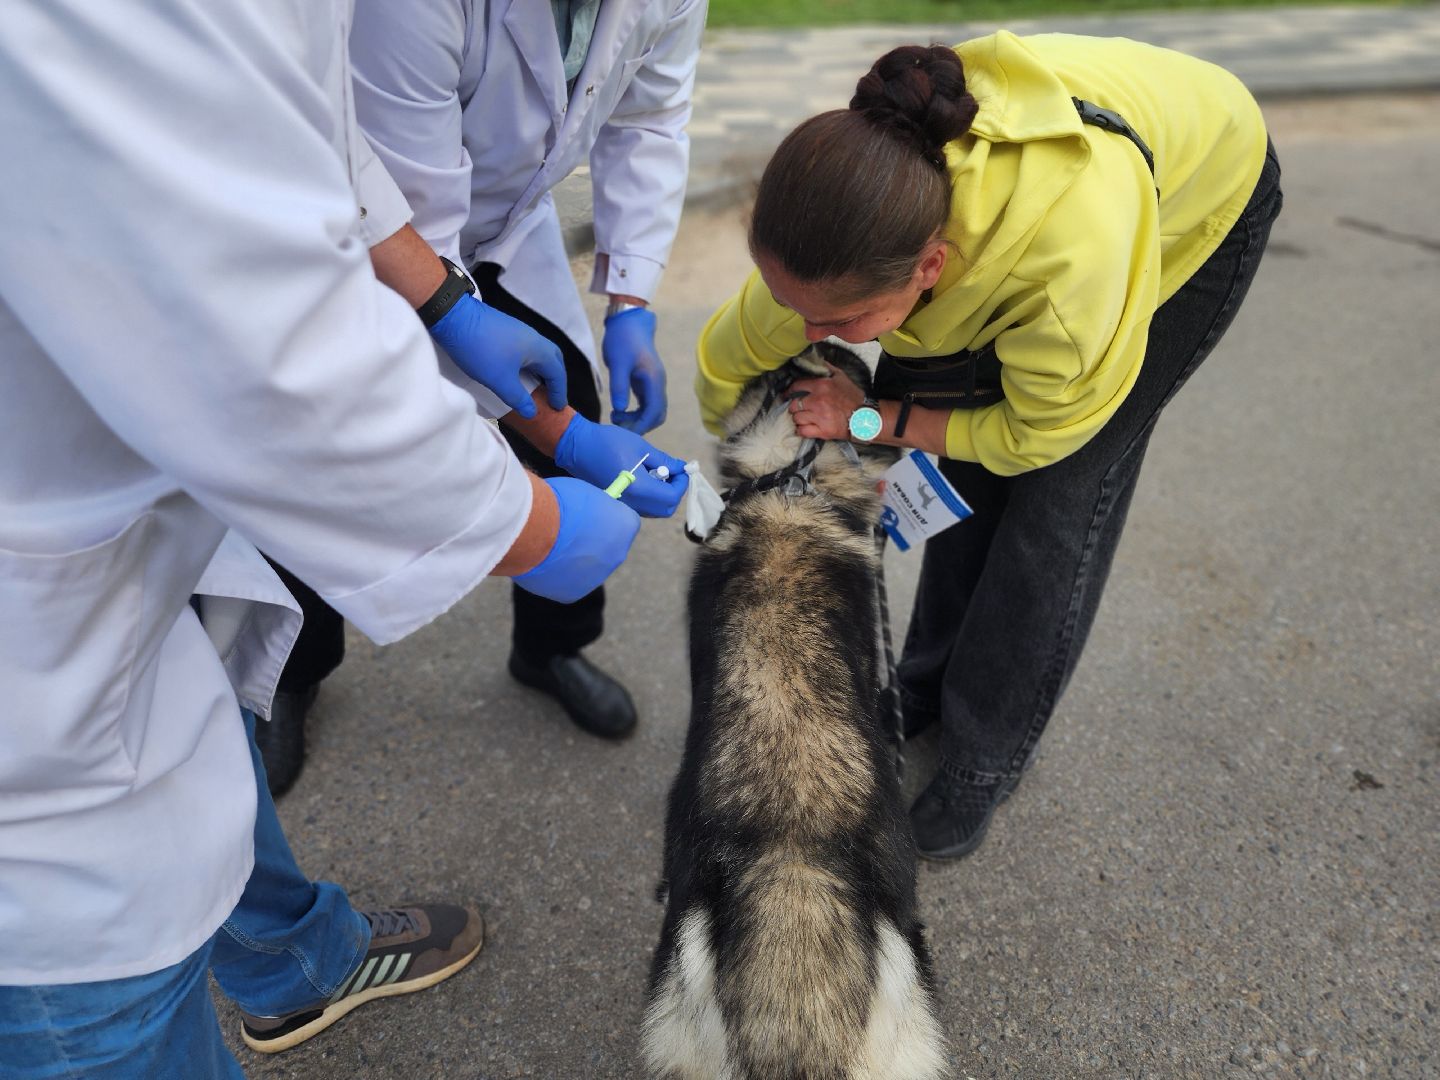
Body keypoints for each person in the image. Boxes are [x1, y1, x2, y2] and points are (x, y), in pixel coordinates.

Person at [0, 0, 679, 1074]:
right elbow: (276, 354)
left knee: (191, 700)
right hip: (39, 759)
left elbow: (313, 132)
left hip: (109, 528)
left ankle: (288, 959)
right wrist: (528, 517)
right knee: (93, 978)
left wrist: (449, 302)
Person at [694, 33, 1283, 860]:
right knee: (959, 464)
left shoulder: (1070, 274)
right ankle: (926, 683)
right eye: (796, 308)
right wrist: (729, 464)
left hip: (1202, 199)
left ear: (930, 265)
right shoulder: (846, 228)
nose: (812, 333)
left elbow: (1033, 437)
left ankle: (985, 752)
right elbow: (734, 355)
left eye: (841, 322)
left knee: (1057, 504)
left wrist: (872, 419)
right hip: (1030, 223)